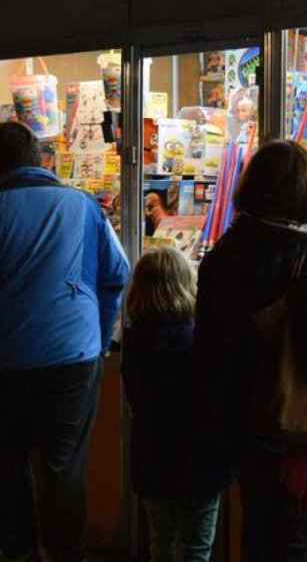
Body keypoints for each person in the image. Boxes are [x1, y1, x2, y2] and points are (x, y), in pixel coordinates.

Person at [195, 140, 307, 560]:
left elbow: (209, 350)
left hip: (246, 426)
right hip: (305, 431)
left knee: (257, 534)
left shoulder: (221, 257)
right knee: (304, 539)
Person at [0, 121, 130, 562]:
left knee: (8, 462)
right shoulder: (81, 205)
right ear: (40, 161)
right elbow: (118, 273)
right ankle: (65, 553)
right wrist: (97, 334)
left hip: (7, 361)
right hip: (73, 357)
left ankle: (18, 551)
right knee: (63, 464)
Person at [122, 246, 219, 562]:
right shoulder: (201, 340)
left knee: (161, 542)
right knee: (196, 547)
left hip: (152, 458)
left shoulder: (135, 341)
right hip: (200, 461)